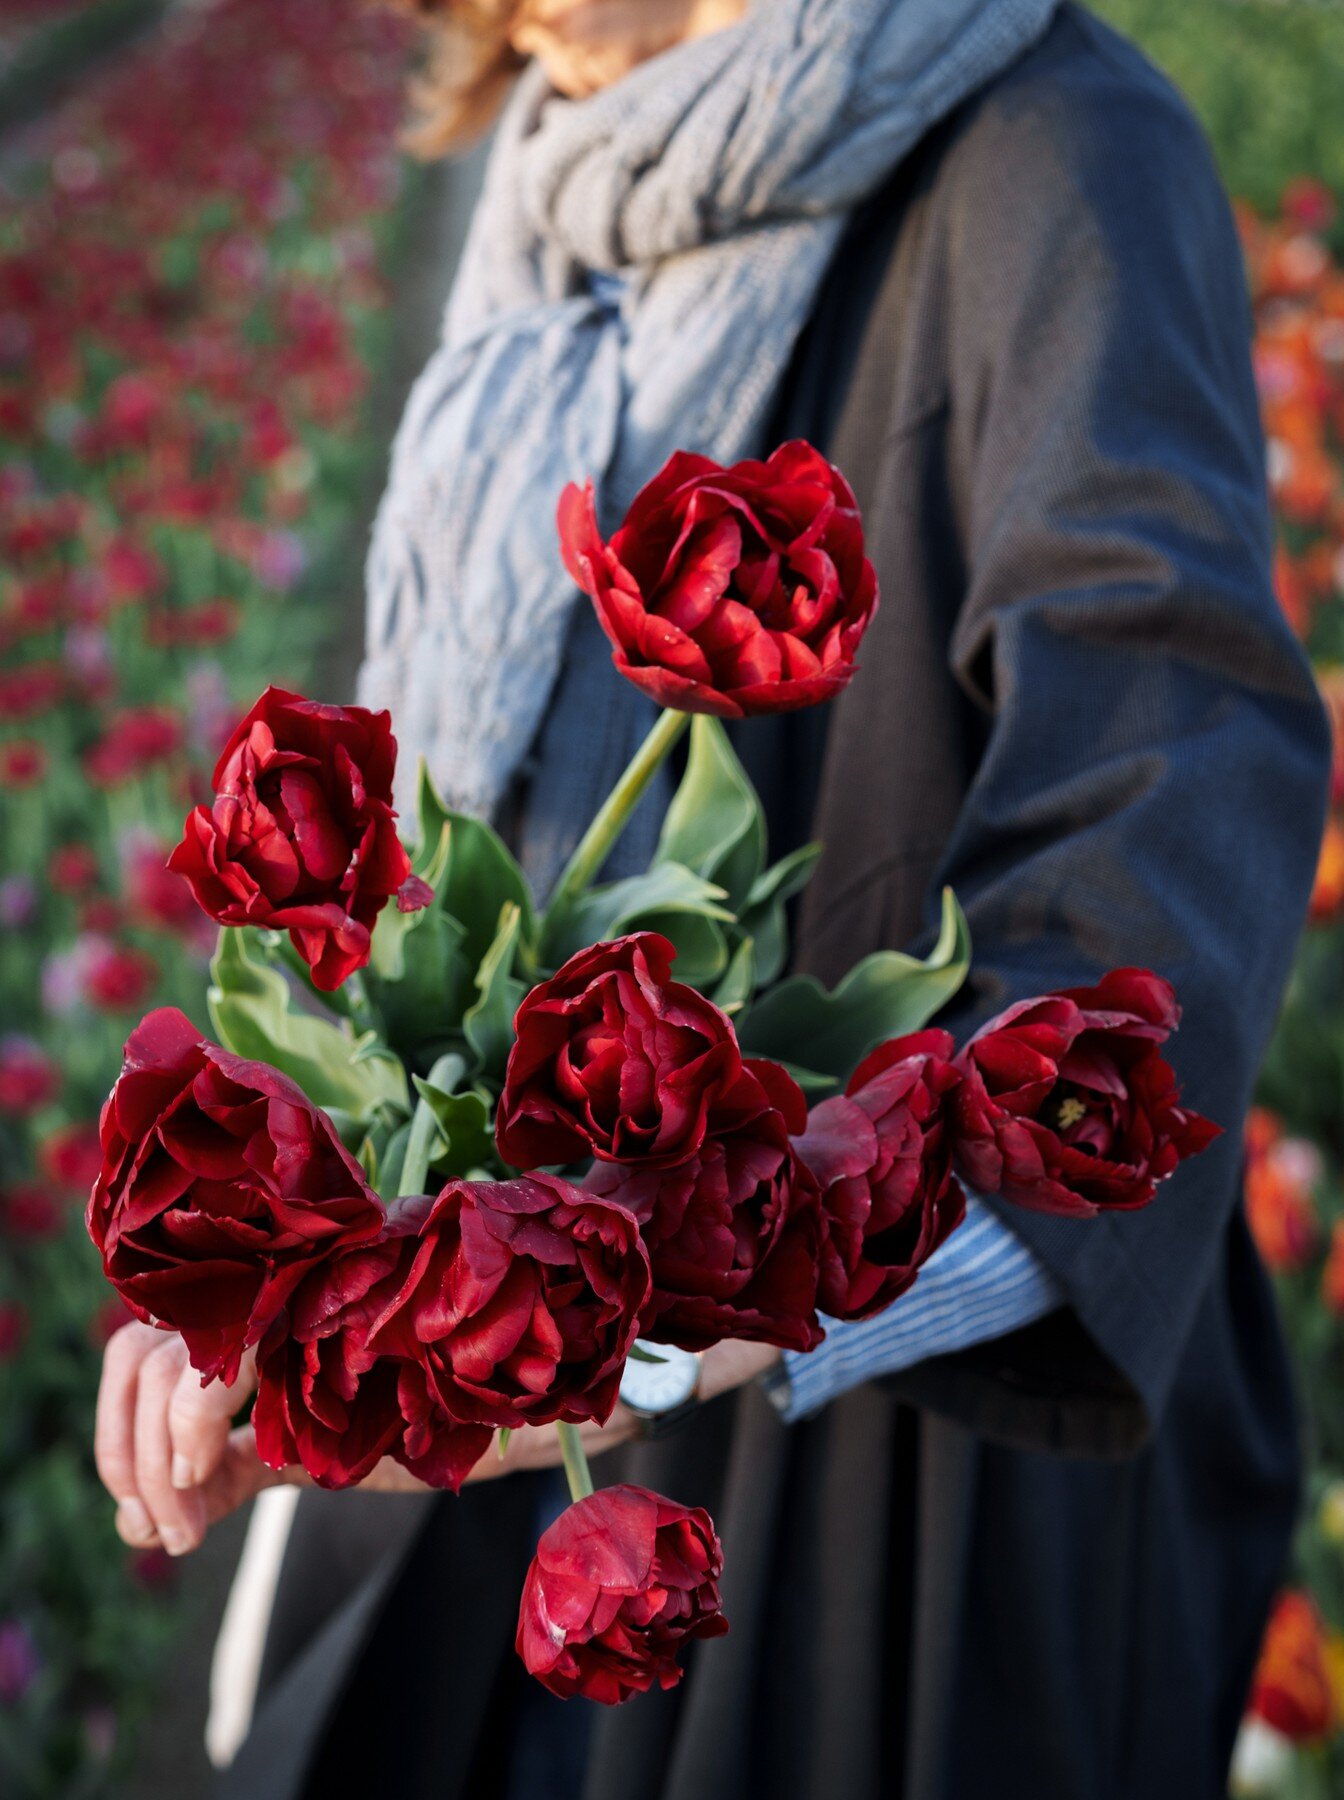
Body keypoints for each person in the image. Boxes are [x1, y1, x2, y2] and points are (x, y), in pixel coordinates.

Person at [92, 0, 1332, 1794]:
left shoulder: (1051, 152)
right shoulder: (560, 165)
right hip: (502, 1359)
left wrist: (690, 1325)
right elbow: (467, 815)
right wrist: (292, 1247)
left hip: (880, 1459)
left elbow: (1169, 801)